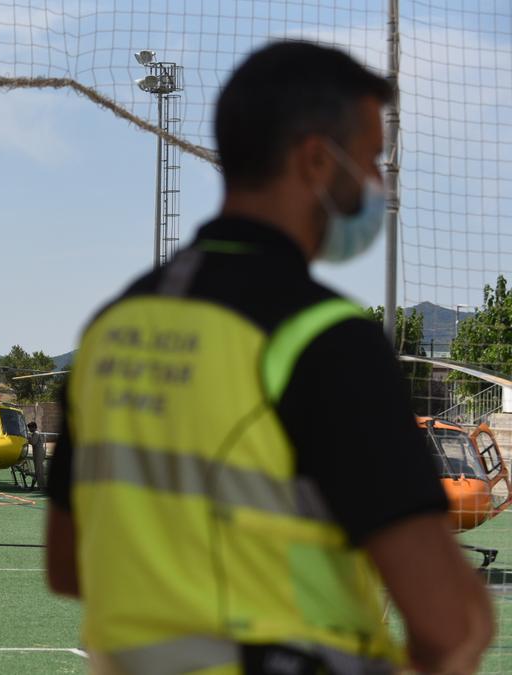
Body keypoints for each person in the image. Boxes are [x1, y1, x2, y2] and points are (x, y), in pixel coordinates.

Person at [45, 41, 492, 675]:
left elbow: (68, 565)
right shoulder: (325, 339)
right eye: (369, 161)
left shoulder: (111, 333)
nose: (374, 186)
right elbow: (453, 622)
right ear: (314, 159)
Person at [26, 421, 47, 489]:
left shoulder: (36, 433)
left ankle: (41, 486)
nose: (29, 430)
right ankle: (38, 485)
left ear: (33, 427)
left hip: (39, 453)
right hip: (37, 453)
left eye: (30, 428)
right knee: (38, 470)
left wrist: (28, 438)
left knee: (39, 470)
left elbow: (33, 442)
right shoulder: (35, 433)